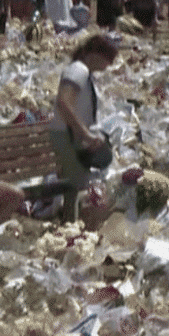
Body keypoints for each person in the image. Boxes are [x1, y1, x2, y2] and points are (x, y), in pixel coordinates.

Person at [49, 34, 119, 221]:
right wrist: (85, 134)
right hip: (68, 139)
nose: (108, 65)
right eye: (108, 59)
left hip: (70, 138)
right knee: (84, 192)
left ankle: (70, 219)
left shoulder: (82, 72)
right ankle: (70, 221)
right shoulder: (78, 70)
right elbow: (64, 103)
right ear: (96, 54)